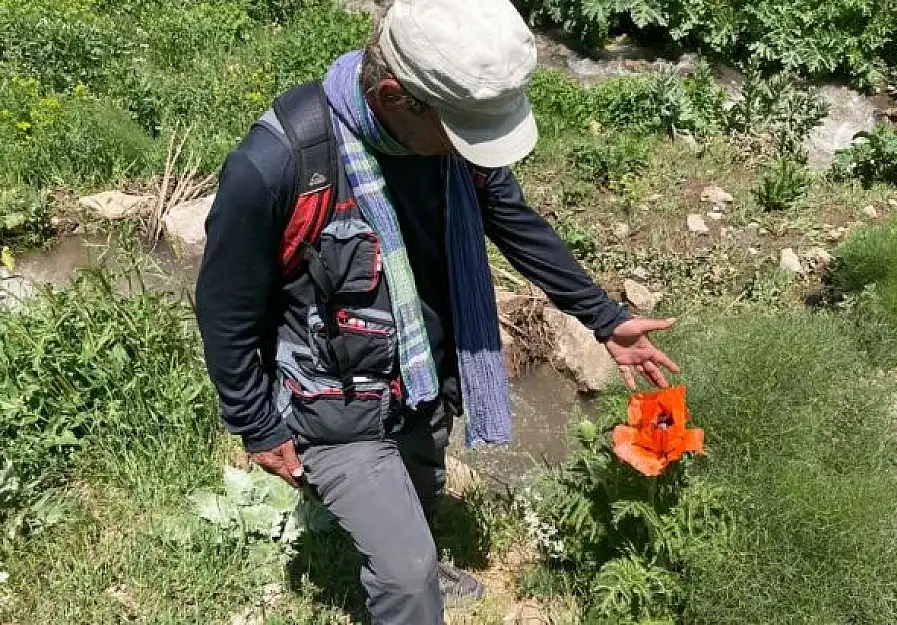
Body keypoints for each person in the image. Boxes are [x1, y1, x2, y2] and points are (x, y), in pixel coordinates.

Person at [194, 0, 679, 622]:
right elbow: (225, 307)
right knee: (407, 578)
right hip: (334, 400)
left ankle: (419, 543)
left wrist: (604, 318)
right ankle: (417, 582)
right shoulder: (281, 163)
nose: (476, 152)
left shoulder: (450, 149)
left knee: (423, 487)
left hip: (423, 375)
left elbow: (512, 220)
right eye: (465, 133)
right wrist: (257, 424)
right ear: (396, 96)